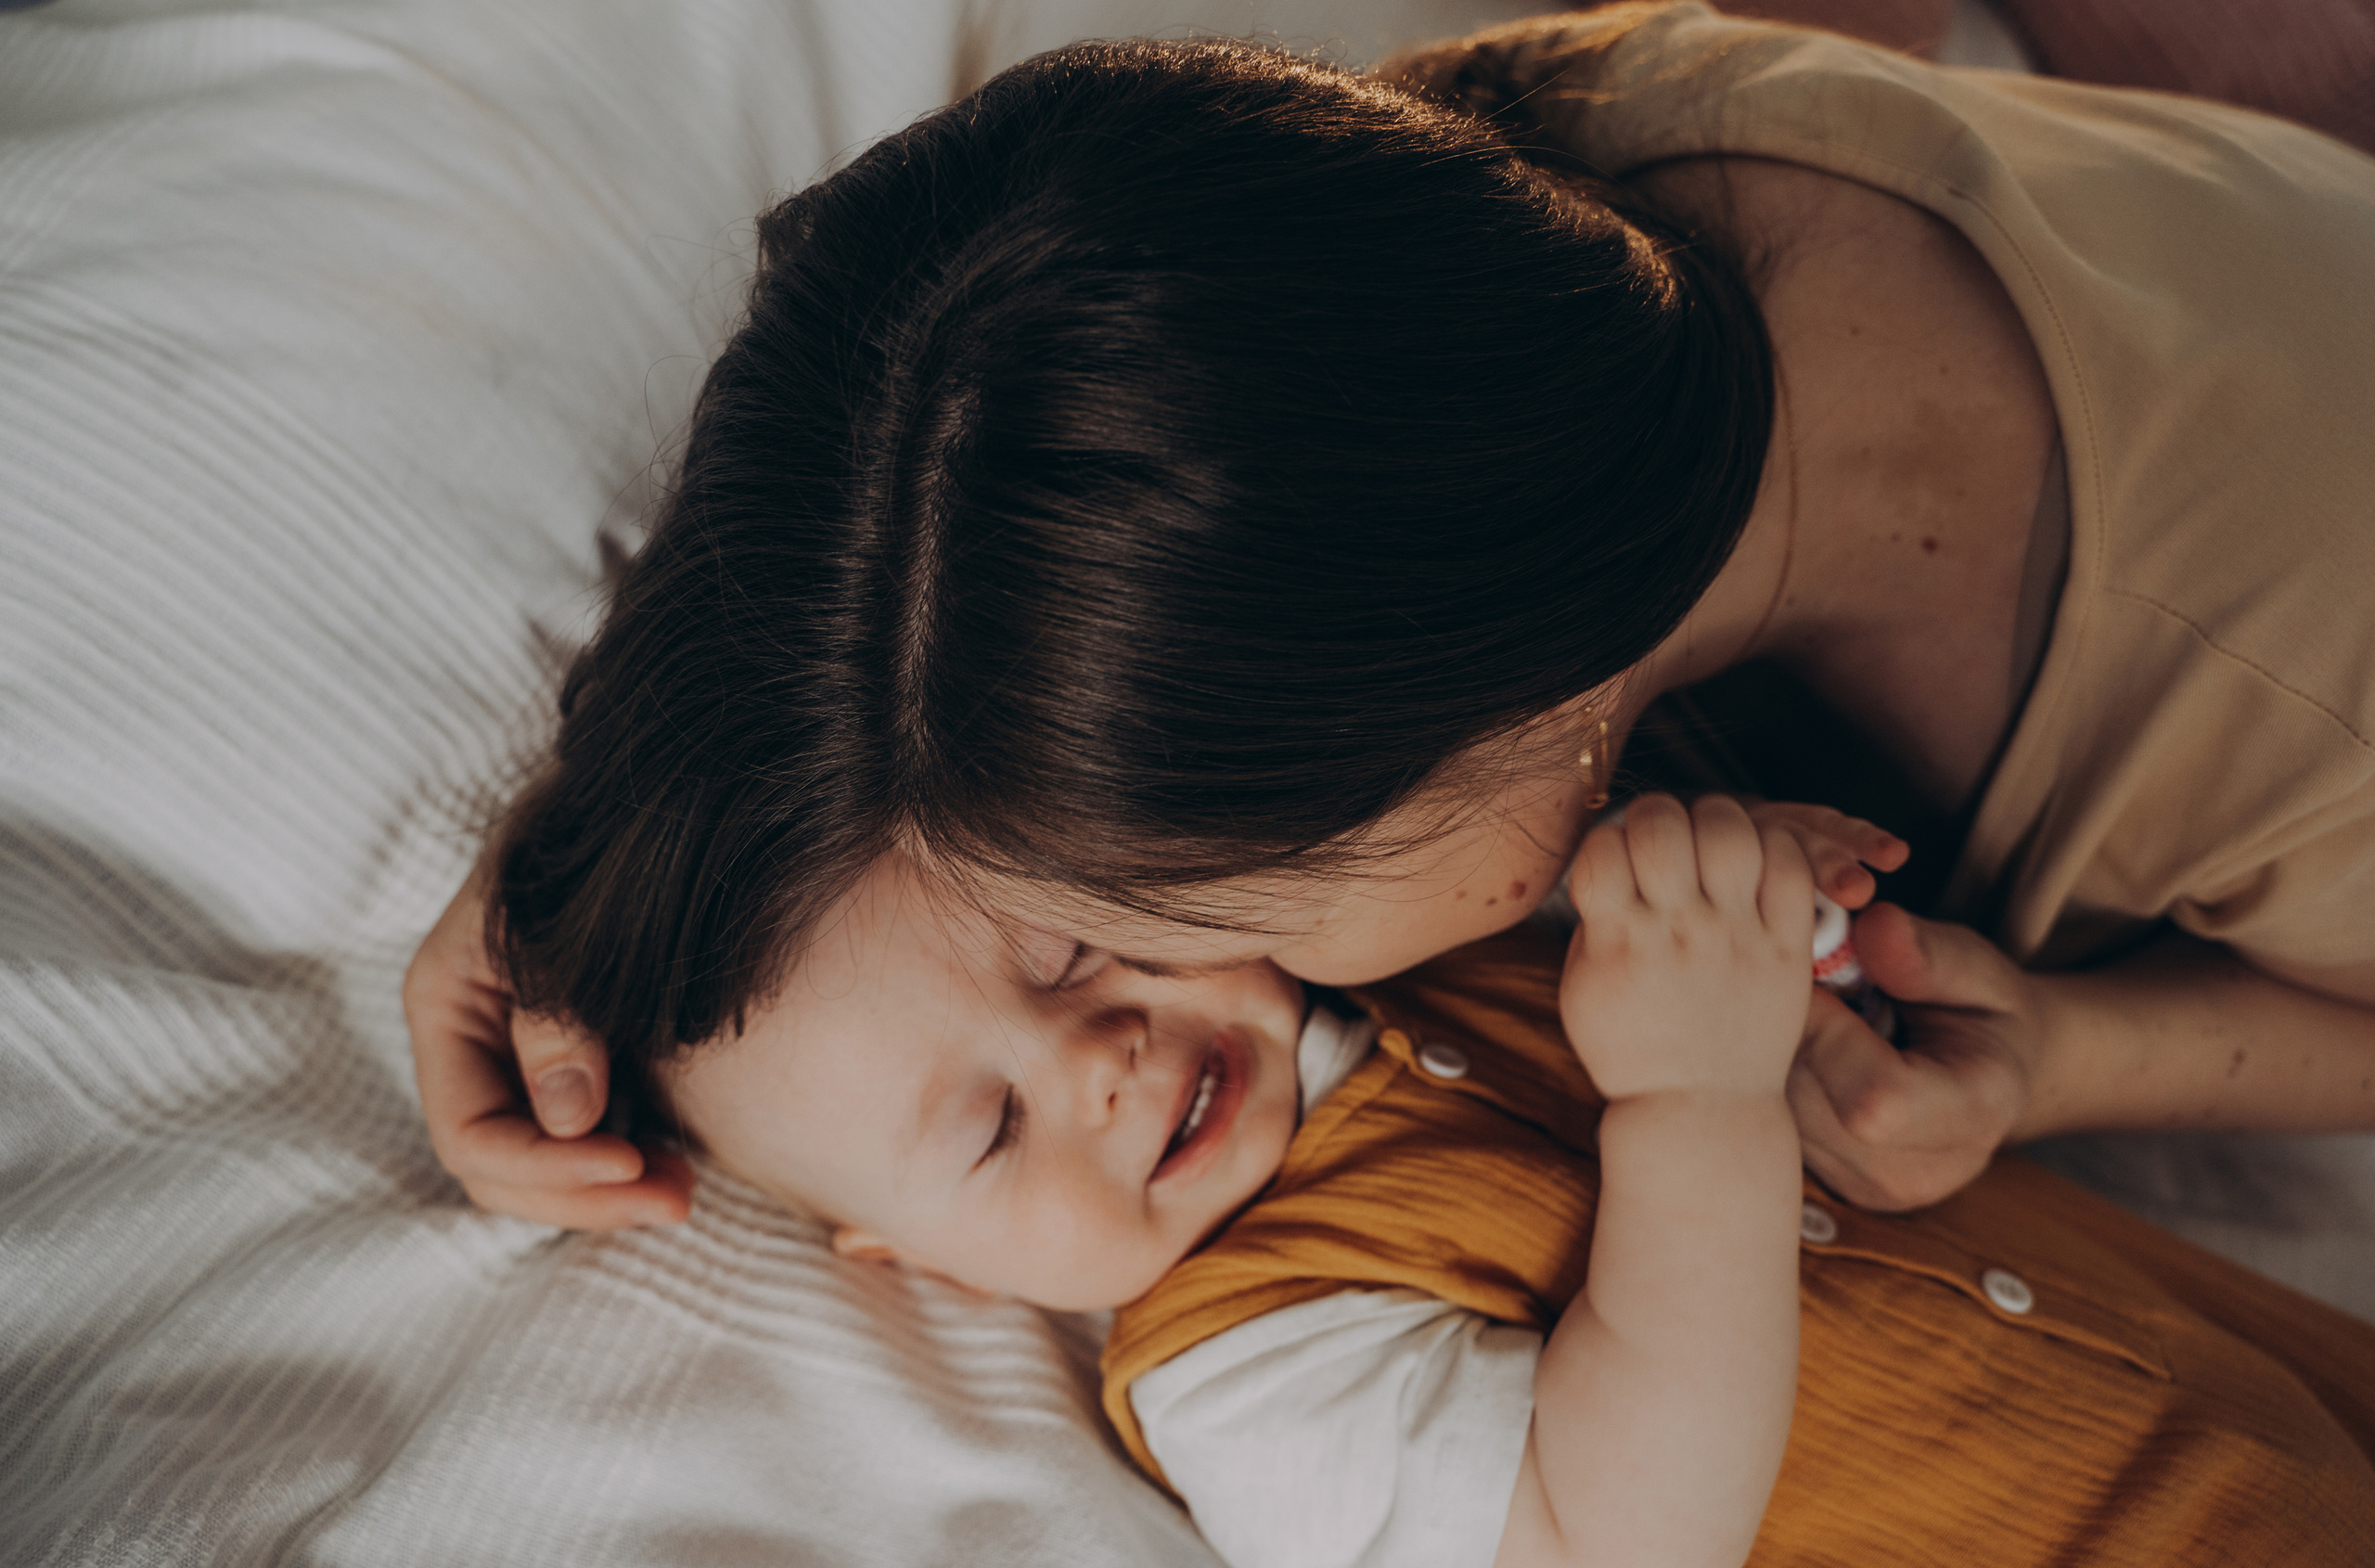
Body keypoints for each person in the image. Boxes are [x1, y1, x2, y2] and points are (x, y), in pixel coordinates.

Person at [403, 5, 2375, 1231]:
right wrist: (629, 849)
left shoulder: (2285, 697)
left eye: (1189, 916)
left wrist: (2070, 1057)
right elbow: (938, 495)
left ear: (1492, 736)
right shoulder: (1445, 208)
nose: (1189, 991)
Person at [597, 798, 2375, 1568]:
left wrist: (1735, 902)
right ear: (929, 1267)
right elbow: (1611, 1546)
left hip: (2280, 1404)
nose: (1102, 1062)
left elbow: (1663, 917)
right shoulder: (1244, 1373)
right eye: (992, 1130)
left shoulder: (1411, 956)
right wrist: (1694, 1088)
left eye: (1077, 947)